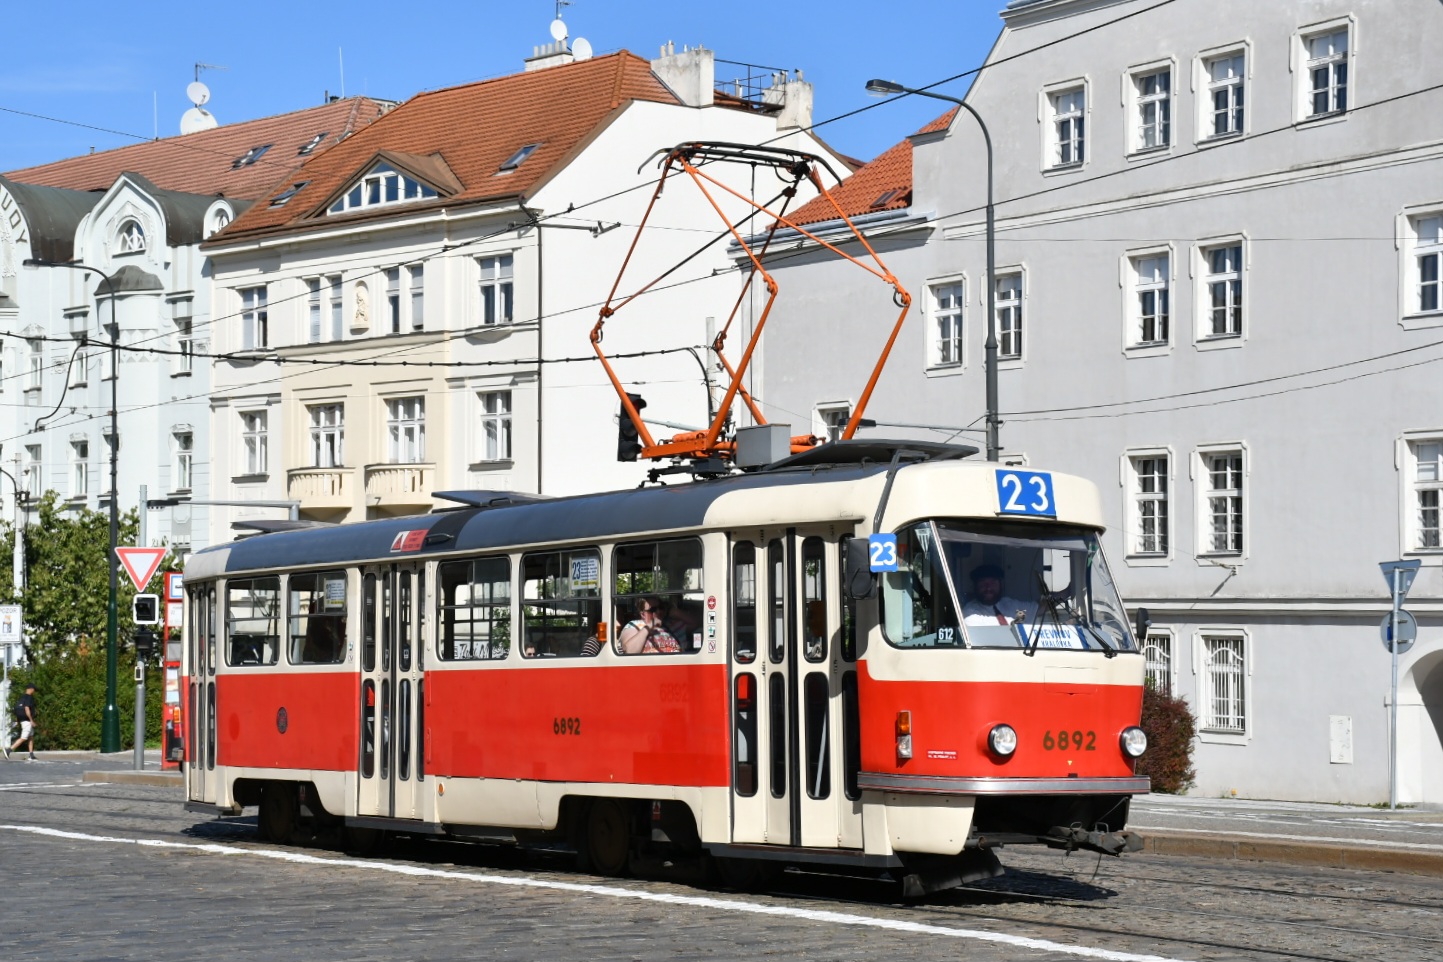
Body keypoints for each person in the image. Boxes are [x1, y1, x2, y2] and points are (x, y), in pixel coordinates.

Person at [961, 564, 1035, 626]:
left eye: (993, 583)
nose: (988, 588)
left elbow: (1038, 609)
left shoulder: (1009, 604)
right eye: (983, 583)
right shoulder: (970, 612)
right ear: (975, 586)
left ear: (1000, 585)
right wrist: (1019, 620)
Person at [6, 683, 37, 761]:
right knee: (24, 737)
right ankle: (9, 750)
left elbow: (17, 710)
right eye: (34, 689)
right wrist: (31, 720)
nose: (34, 691)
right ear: (31, 689)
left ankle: (31, 754)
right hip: (27, 721)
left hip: (22, 720)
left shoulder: (22, 698)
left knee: (31, 736)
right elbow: (26, 709)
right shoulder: (29, 698)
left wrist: (17, 721)